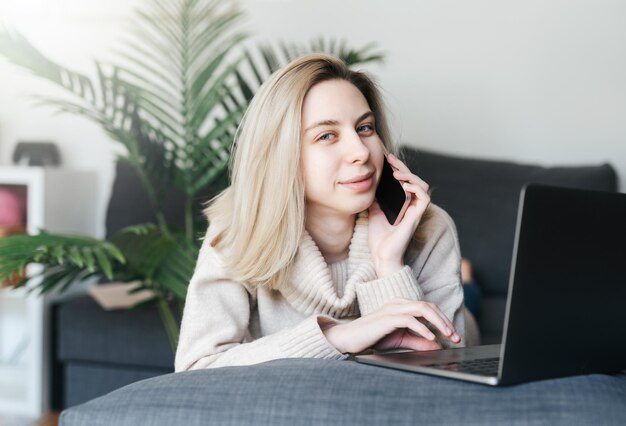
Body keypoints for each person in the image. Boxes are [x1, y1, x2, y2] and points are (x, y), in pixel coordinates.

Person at [175, 53, 475, 372]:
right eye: (327, 135)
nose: (360, 152)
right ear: (282, 155)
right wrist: (334, 337)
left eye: (365, 127)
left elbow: (442, 370)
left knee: (472, 301)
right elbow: (196, 368)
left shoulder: (428, 226)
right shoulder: (236, 233)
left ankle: (469, 279)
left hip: (466, 315)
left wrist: (389, 264)